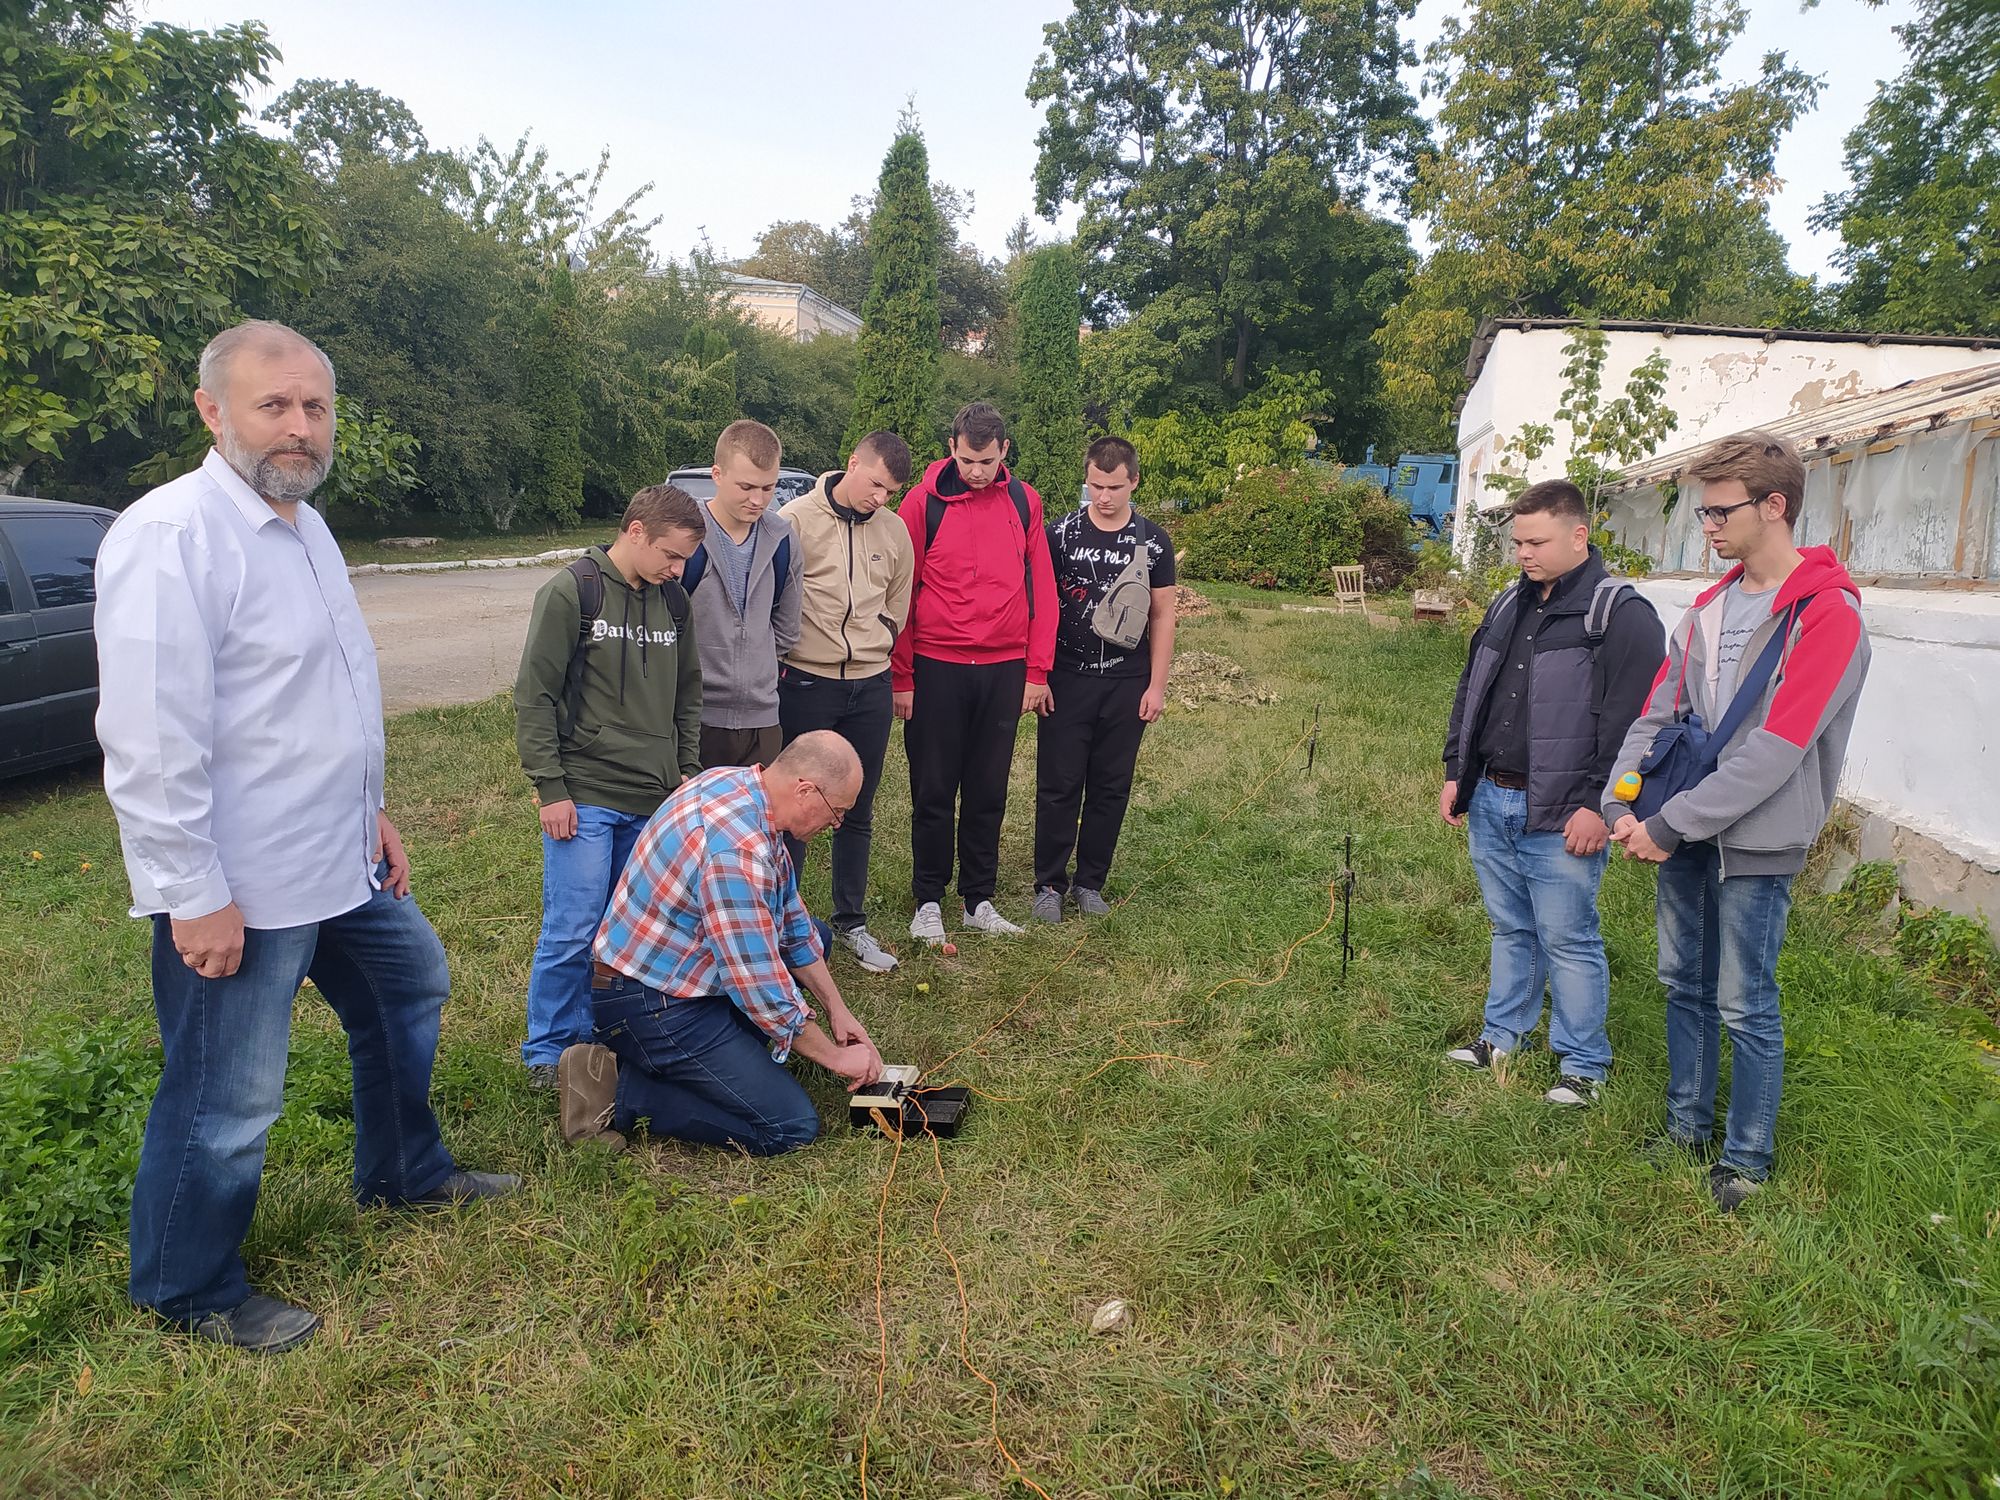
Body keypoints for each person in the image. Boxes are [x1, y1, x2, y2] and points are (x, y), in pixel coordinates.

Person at [93, 320, 517, 1354]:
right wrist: (192, 892)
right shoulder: (174, 535)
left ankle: (404, 1172)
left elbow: (322, 693)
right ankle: (187, 1288)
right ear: (213, 411)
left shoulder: (307, 527)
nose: (299, 426)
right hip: (242, 881)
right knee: (228, 1095)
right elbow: (150, 735)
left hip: (339, 854)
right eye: (273, 405)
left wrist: (370, 809)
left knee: (409, 986)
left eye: (315, 407)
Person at [1607, 431, 1870, 1211]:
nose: (1708, 527)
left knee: (1744, 1001)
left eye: (1721, 512)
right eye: (1704, 513)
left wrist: (1668, 824)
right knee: (1682, 985)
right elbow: (1657, 714)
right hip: (1683, 831)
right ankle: (1685, 1128)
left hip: (1756, 839)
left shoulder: (1828, 616)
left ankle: (1745, 1161)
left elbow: (1776, 752)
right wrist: (1619, 797)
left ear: (1774, 505)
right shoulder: (1707, 610)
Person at [1440, 479, 1664, 1108]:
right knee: (1511, 927)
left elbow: (1634, 724)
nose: (1523, 553)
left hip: (1565, 812)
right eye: (1518, 542)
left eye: (1536, 542)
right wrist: (1458, 770)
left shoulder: (1620, 616)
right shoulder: (1507, 604)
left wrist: (1599, 805)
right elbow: (1471, 690)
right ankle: (1500, 1037)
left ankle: (1583, 1065)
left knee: (1569, 939)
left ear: (1578, 536)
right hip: (1493, 797)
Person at [557, 732, 886, 1154]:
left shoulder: (742, 787)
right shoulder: (736, 851)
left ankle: (722, 1054)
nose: (835, 824)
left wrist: (837, 1011)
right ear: (805, 790)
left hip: (675, 970)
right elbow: (757, 984)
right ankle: (618, 1087)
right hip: (649, 1005)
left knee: (818, 938)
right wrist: (835, 1057)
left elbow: (792, 923)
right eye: (837, 811)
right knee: (790, 1126)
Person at [513, 484, 706, 1085]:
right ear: (636, 531)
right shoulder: (572, 591)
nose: (677, 570)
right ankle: (549, 1051)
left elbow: (688, 694)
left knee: (626, 934)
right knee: (573, 928)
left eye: (684, 560)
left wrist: (687, 770)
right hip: (585, 795)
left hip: (653, 798)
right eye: (671, 556)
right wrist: (551, 788)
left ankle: (606, 1038)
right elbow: (535, 696)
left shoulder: (674, 603)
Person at [890, 402, 1058, 945]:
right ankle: (928, 900)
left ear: (1004, 451)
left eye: (987, 461)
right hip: (937, 664)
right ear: (951, 448)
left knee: (988, 788)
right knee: (933, 788)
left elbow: (1043, 588)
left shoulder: (1024, 501)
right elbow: (902, 593)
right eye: (967, 460)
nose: (977, 471)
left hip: (1003, 667)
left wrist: (1037, 670)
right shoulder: (922, 503)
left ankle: (978, 899)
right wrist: (902, 676)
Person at [777, 431, 917, 973]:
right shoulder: (794, 520)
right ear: (853, 463)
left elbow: (898, 602)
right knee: (795, 808)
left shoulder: (895, 531)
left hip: (870, 684)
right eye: (875, 484)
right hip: (807, 682)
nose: (880, 498)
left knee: (856, 806)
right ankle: (782, 923)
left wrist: (878, 642)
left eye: (890, 492)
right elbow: (775, 597)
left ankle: (851, 922)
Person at [1031, 436, 1177, 922]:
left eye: (1114, 487)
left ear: (1134, 482)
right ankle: (1049, 884)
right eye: (1096, 486)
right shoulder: (1060, 535)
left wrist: (1156, 685)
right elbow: (1041, 606)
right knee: (1058, 784)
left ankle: (1091, 882)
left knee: (1111, 786)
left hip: (1126, 681)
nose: (1104, 496)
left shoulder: (1153, 542)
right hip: (1067, 678)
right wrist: (1039, 675)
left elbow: (1163, 615)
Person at [690, 419, 801, 770]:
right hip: (693, 717)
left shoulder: (783, 539)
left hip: (762, 718)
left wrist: (757, 664)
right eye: (746, 487)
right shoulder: (686, 534)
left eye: (768, 488)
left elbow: (787, 629)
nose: (757, 500)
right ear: (717, 474)